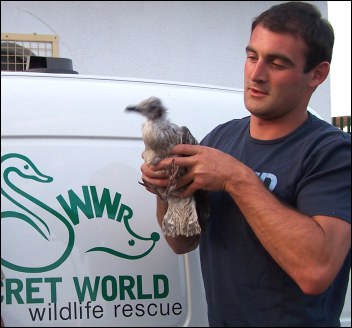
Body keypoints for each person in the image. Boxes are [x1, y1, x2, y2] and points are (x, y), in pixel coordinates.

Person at [140, 1, 351, 327]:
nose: (256, 74)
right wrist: (165, 190)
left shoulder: (332, 153)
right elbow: (183, 240)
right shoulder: (220, 139)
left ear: (317, 74)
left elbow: (316, 272)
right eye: (252, 56)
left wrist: (236, 178)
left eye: (277, 63)